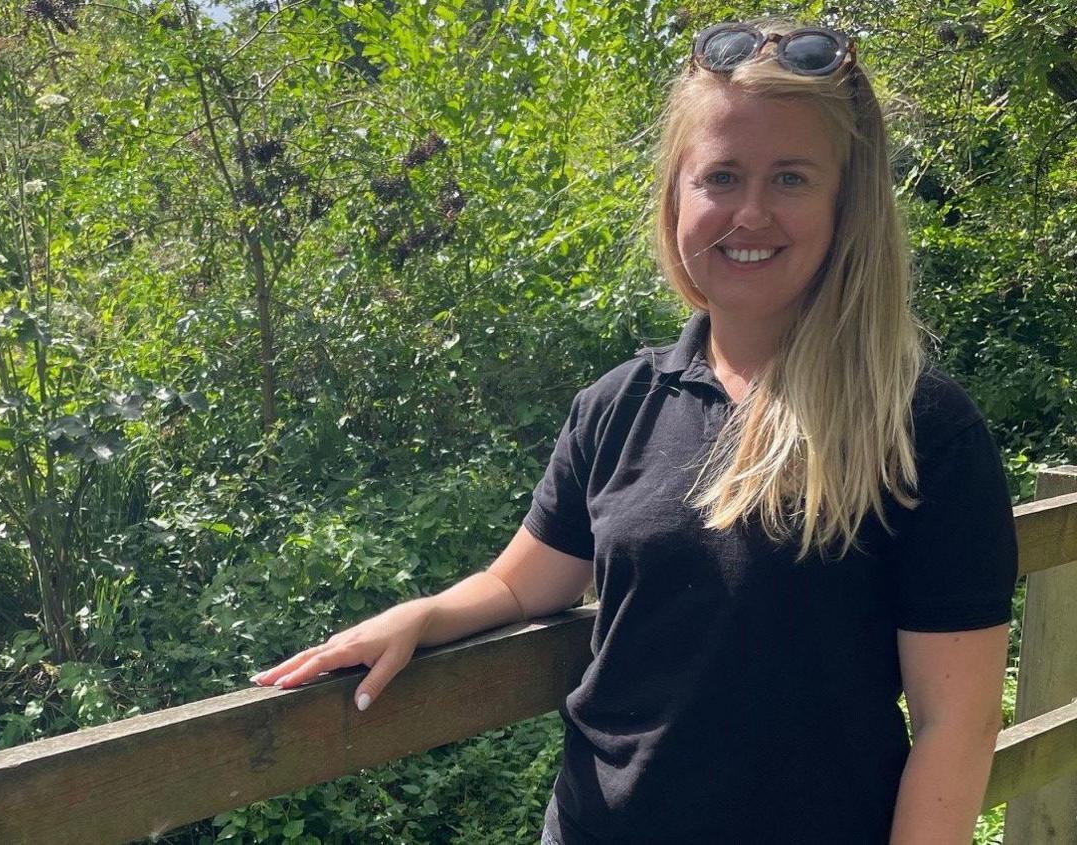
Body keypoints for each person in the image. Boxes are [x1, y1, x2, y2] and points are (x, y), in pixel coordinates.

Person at [250, 17, 1017, 845]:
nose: (750, 211)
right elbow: (522, 583)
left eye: (791, 179)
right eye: (720, 176)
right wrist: (421, 616)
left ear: (846, 204)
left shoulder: (920, 429)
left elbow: (956, 725)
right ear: (676, 197)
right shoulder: (618, 405)